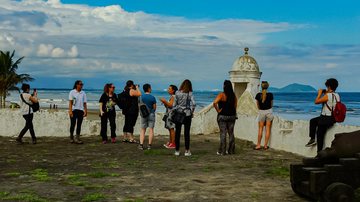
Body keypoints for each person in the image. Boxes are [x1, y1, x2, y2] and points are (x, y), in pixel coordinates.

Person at [305, 78, 339, 152]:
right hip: (332, 118)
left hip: (325, 119)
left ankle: (318, 152)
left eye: (327, 86)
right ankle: (313, 139)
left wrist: (319, 93)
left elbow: (316, 101)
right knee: (313, 121)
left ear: (329, 86)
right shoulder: (337, 95)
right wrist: (326, 92)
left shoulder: (328, 96)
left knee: (320, 135)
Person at [213, 80, 238, 155]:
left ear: (224, 86)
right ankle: (231, 150)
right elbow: (235, 106)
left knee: (223, 133)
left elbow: (214, 103)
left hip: (222, 116)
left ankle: (222, 151)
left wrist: (218, 111)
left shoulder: (221, 95)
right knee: (231, 133)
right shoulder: (234, 96)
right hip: (232, 116)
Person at [173, 79, 196, 156]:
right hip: (187, 115)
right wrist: (192, 112)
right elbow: (194, 104)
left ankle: (177, 151)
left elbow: (174, 105)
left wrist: (178, 109)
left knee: (177, 133)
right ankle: (187, 151)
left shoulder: (177, 93)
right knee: (186, 133)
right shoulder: (190, 93)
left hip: (179, 114)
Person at [254, 81, 274, 150]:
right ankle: (265, 145)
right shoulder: (271, 95)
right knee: (268, 129)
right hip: (269, 112)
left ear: (261, 87)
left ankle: (258, 145)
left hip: (261, 112)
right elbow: (271, 105)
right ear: (267, 87)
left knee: (260, 129)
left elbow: (258, 106)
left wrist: (261, 109)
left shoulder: (258, 95)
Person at [138, 83, 157, 150]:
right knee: (151, 129)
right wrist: (151, 111)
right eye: (150, 88)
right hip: (151, 114)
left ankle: (141, 145)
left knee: (143, 130)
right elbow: (154, 107)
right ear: (149, 88)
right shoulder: (152, 97)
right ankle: (149, 145)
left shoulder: (140, 97)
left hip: (143, 115)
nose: (151, 89)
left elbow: (139, 106)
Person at [160, 85, 178, 149]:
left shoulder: (173, 96)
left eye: (169, 88)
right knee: (170, 129)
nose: (168, 89)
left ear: (173, 90)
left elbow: (170, 106)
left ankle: (173, 143)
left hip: (171, 115)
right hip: (170, 114)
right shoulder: (172, 96)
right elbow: (168, 106)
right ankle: (171, 142)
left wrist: (164, 101)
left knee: (171, 129)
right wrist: (165, 103)